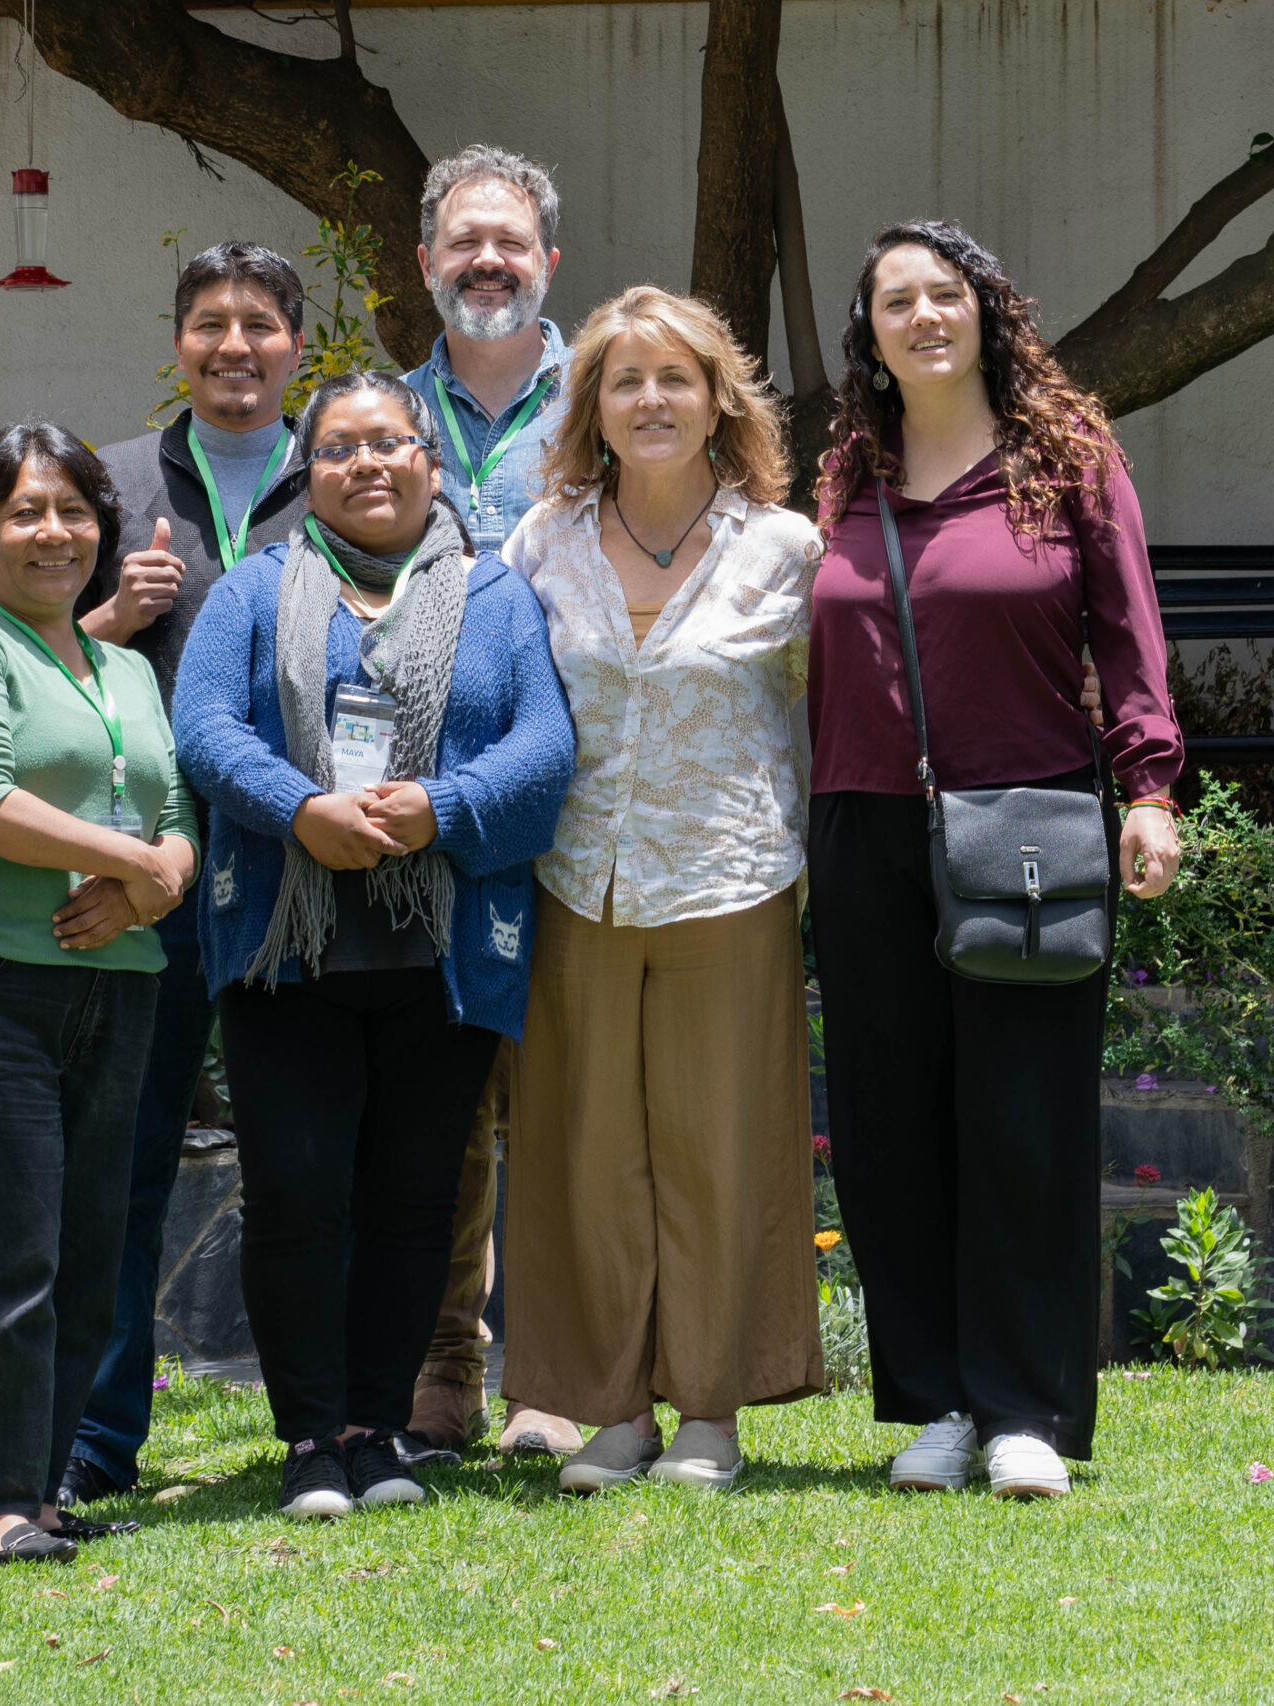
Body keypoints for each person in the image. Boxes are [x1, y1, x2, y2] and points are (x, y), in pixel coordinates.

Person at [807, 220, 1184, 1501]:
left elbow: (1128, 632)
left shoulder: (1065, 458)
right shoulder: (847, 471)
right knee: (886, 1125)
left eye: (944, 294)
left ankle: (1024, 1409)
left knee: (1024, 1119)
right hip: (862, 825)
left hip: (1025, 822)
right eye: (895, 301)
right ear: (869, 334)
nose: (923, 315)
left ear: (985, 312)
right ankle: (933, 1404)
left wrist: (1148, 787)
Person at [172, 369, 574, 1520]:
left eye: (388, 442)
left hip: (439, 953)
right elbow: (203, 727)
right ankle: (310, 1435)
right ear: (309, 473)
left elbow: (546, 743)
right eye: (340, 447)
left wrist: (443, 808)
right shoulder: (254, 589)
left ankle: (376, 1427)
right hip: (286, 951)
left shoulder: (495, 595)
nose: (367, 464)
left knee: (412, 1200)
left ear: (428, 463)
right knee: (296, 1195)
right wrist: (300, 807)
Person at [499, 286, 824, 1495]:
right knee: (585, 1152)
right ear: (590, 406)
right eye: (625, 380)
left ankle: (709, 1410)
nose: (650, 400)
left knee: (716, 1149)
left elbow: (830, 707)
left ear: (717, 399)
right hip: (574, 876)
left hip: (728, 878)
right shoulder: (540, 543)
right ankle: (611, 1411)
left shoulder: (784, 548)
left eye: (674, 378)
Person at [0, 424, 202, 1561]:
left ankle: (39, 1488)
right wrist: (133, 862)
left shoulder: (123, 666)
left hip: (118, 985)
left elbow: (176, 814)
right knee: (8, 1248)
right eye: (24, 512)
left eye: (74, 511)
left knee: (88, 1255)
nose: (52, 533)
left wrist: (150, 883)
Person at [57, 242, 311, 1510]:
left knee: (306, 1153)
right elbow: (14, 658)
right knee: (121, 1155)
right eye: (209, 322)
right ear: (176, 344)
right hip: (141, 868)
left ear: (296, 348)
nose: (234, 345)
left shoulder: (347, 469)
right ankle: (96, 1433)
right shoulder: (104, 481)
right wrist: (111, 617)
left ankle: (326, 1415)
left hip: (296, 865)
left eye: (259, 323)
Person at [398, 142, 581, 1459]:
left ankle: (555, 1371)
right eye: (464, 241)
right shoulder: (377, 415)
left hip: (579, 798)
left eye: (509, 240)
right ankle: (440, 1368)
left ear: (549, 260)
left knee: (562, 1096)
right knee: (443, 1106)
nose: (487, 261)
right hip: (420, 805)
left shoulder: (609, 397)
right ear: (425, 262)